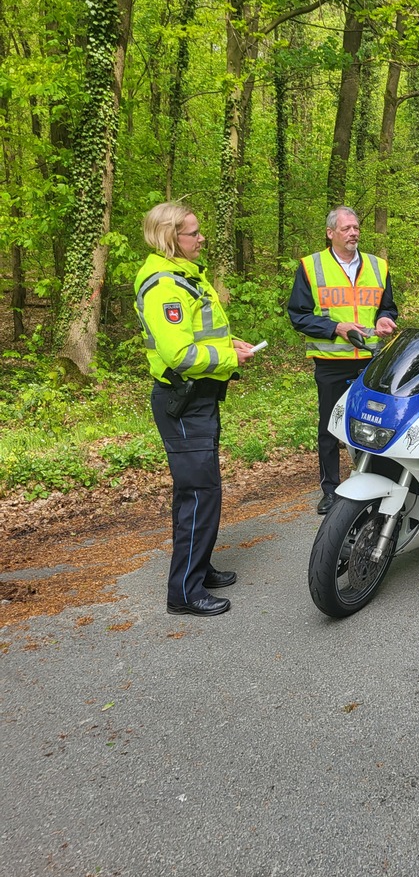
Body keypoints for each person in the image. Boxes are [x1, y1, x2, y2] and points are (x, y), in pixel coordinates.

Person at [134, 202, 256, 616]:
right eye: (193, 232)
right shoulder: (163, 286)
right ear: (171, 238)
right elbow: (179, 352)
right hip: (182, 402)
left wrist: (231, 345)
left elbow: (201, 333)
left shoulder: (186, 278)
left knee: (201, 489)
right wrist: (228, 360)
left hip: (199, 398)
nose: (201, 238)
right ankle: (184, 592)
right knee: (200, 493)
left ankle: (198, 568)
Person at [287, 206, 398, 514]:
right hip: (331, 361)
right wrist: (336, 328)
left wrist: (386, 319)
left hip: (371, 358)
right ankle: (331, 490)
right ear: (330, 233)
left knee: (376, 422)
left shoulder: (378, 266)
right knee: (330, 427)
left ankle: (376, 483)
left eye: (356, 228)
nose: (354, 233)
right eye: (347, 228)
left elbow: (387, 307)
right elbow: (299, 316)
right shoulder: (311, 267)